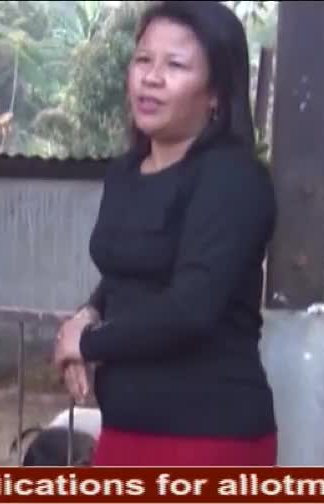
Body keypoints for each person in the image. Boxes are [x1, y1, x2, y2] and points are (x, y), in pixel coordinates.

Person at [53, 1, 278, 467]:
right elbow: (124, 268)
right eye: (143, 60)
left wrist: (88, 344)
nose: (151, 78)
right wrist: (86, 315)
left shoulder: (233, 180)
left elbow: (189, 309)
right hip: (126, 429)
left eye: (175, 65)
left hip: (208, 437)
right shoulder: (125, 173)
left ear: (215, 92)